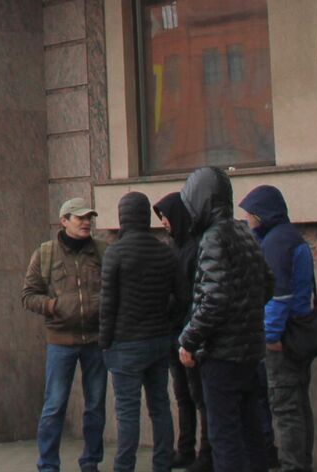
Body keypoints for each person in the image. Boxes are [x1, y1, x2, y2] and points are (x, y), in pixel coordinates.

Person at [175, 167, 273, 472]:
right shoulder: (243, 232)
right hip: (249, 350)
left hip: (223, 356)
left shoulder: (213, 238)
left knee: (225, 436)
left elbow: (213, 299)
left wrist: (188, 339)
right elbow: (266, 284)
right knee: (251, 430)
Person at [23, 197, 107, 472]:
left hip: (95, 340)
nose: (86, 222)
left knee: (95, 405)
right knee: (55, 405)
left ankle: (91, 461)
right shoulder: (45, 254)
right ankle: (48, 464)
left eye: (89, 218)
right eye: (79, 217)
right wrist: (54, 306)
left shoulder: (103, 251)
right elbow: (28, 295)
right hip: (61, 341)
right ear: (64, 221)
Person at [101, 191, 181, 472]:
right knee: (160, 406)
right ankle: (162, 465)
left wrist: (104, 342)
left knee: (127, 412)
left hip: (125, 343)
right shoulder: (165, 251)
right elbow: (179, 297)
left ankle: (124, 467)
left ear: (123, 217)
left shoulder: (115, 253)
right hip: (159, 340)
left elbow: (108, 303)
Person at [240, 185, 316, 472]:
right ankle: (301, 463)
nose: (247, 219)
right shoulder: (289, 237)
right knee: (298, 404)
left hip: (282, 338)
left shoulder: (276, 243)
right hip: (299, 334)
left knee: (285, 408)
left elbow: (279, 297)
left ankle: (292, 466)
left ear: (261, 213)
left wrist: (270, 337)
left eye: (250, 214)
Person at [154, 193, 207, 470]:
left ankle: (204, 452)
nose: (163, 222)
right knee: (183, 395)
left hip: (189, 333)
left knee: (198, 396)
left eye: (165, 216)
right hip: (175, 332)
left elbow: (193, 296)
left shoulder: (195, 249)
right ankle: (185, 448)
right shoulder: (175, 248)